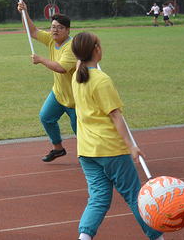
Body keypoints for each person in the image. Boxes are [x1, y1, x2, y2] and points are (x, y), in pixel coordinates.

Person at [70, 32, 165, 240]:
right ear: (97, 49)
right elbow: (115, 116)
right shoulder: (101, 80)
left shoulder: (77, 78)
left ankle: (84, 238)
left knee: (98, 200)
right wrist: (132, 146)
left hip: (86, 151)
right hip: (111, 149)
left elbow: (80, 64)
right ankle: (158, 238)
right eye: (100, 45)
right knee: (135, 197)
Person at [17, 1, 76, 162]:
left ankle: (94, 156)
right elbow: (33, 31)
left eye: (59, 28)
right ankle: (58, 149)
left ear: (68, 30)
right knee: (46, 117)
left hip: (75, 99)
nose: (55, 30)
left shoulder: (70, 46)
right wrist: (24, 12)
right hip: (58, 93)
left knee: (80, 130)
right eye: (53, 27)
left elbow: (62, 67)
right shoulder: (51, 39)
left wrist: (41, 59)